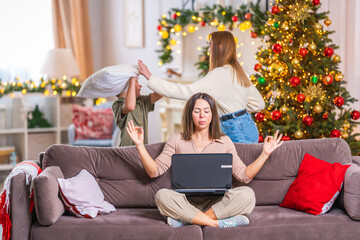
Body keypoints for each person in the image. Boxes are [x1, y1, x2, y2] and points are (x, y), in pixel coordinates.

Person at [126, 92, 282, 228]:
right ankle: (216, 223)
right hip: (185, 202)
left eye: (207, 111)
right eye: (197, 111)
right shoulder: (177, 139)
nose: (202, 116)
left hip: (218, 203)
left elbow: (244, 176)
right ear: (190, 114)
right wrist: (140, 145)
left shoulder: (224, 141)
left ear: (212, 114)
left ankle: (188, 221)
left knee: (247, 195)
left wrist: (265, 154)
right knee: (162, 196)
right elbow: (154, 171)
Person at [137, 31, 265, 144]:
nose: (208, 50)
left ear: (219, 47)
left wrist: (150, 77)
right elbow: (259, 104)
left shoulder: (218, 74)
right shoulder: (240, 72)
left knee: (233, 169)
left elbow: (183, 91)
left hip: (234, 130)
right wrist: (237, 108)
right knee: (245, 168)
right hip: (249, 127)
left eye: (210, 45)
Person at [112, 76, 162, 146]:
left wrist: (149, 77)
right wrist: (132, 80)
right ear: (128, 86)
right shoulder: (117, 105)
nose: (140, 85)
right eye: (137, 82)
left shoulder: (142, 101)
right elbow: (130, 107)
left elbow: (161, 93)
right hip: (127, 152)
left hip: (142, 150)